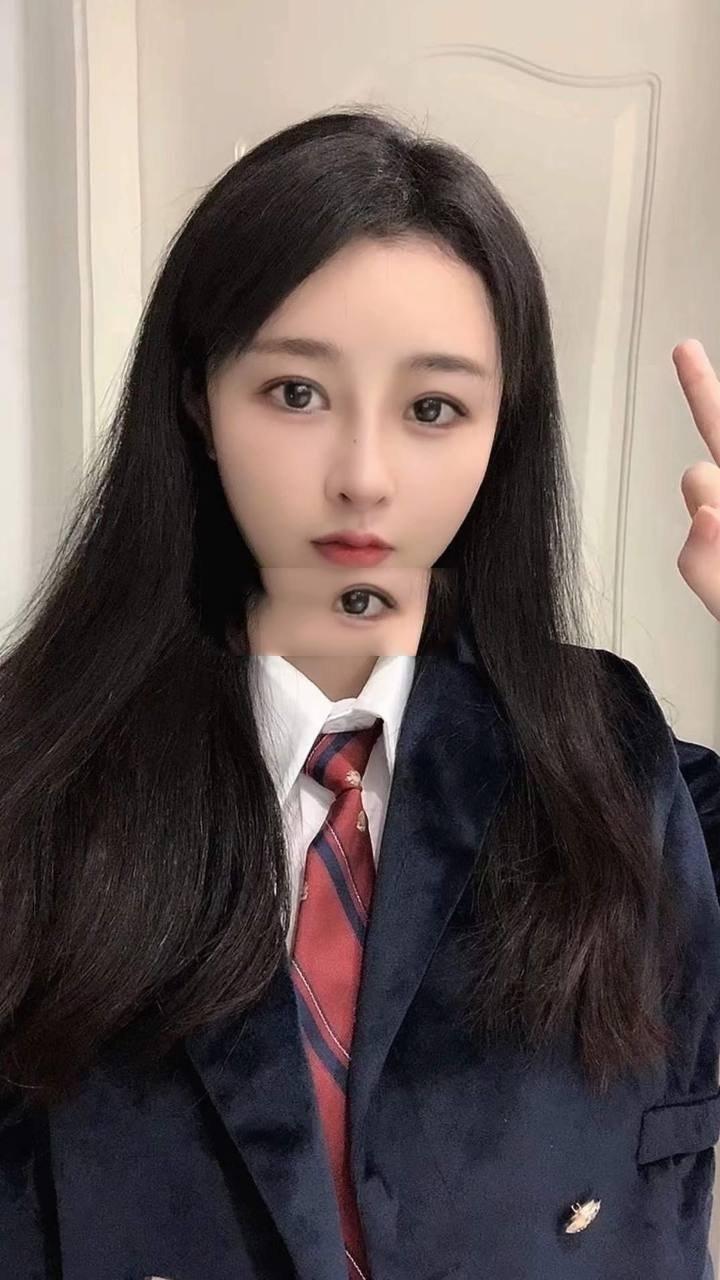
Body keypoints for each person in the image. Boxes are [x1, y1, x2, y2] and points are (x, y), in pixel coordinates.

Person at [0, 105, 719, 1280]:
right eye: (296, 392)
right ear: (199, 400)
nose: (364, 477)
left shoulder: (611, 756)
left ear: (501, 430)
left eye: (433, 408)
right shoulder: (34, 774)